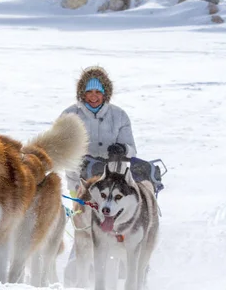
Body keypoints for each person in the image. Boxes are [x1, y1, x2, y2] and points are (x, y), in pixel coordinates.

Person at [61, 66, 164, 286]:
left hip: (113, 181)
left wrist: (122, 150)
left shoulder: (119, 116)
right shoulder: (70, 115)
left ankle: (133, 273)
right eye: (89, 92)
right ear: (82, 93)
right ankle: (76, 279)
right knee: (84, 231)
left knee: (116, 225)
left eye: (98, 92)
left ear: (105, 93)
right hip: (81, 183)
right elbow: (63, 148)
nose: (94, 96)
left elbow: (131, 148)